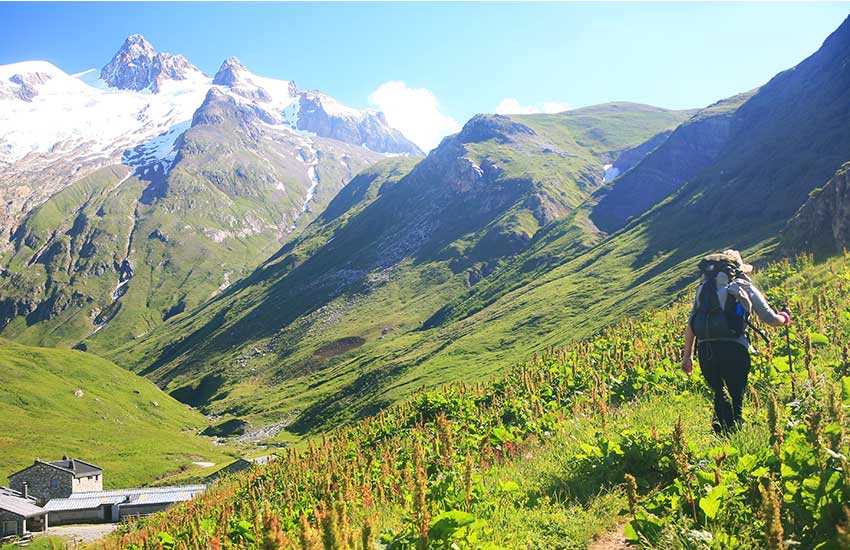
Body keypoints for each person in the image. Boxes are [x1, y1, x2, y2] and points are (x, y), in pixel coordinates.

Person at [681, 250, 790, 433]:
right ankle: (734, 435)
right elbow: (770, 319)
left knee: (720, 393)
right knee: (736, 398)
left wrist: (687, 356)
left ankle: (720, 435)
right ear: (738, 269)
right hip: (734, 348)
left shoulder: (704, 288)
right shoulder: (743, 285)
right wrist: (785, 316)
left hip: (706, 350)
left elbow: (691, 323)